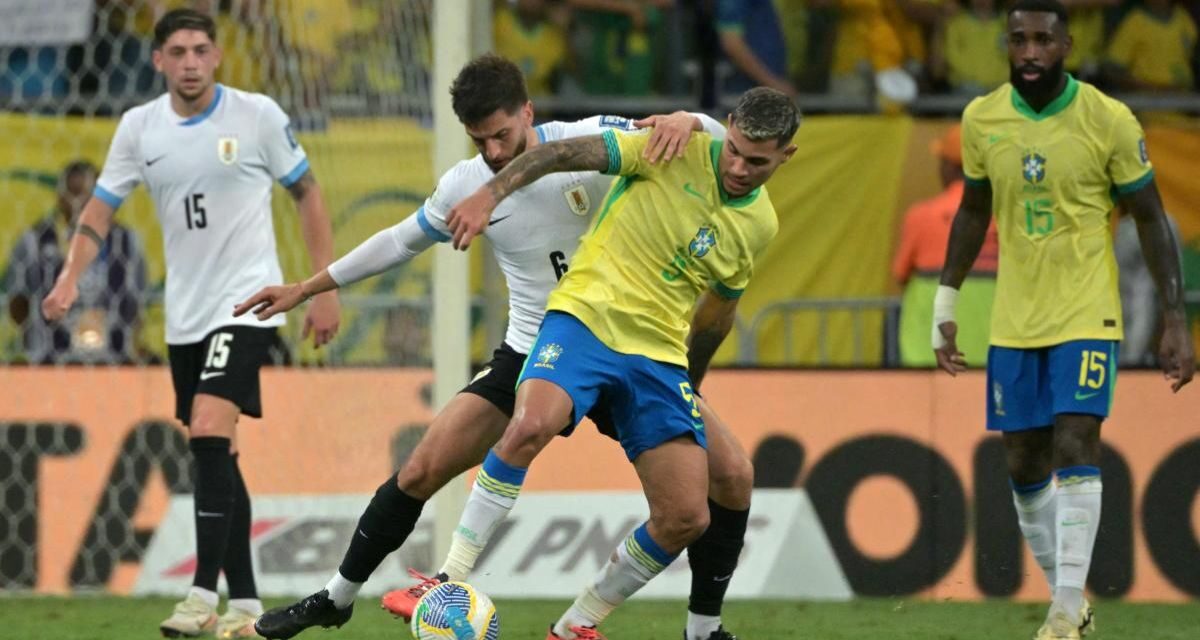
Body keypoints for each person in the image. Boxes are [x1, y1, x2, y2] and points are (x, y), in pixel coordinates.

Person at [240, 55, 752, 640]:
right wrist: (308, 288)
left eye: (503, 135)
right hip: (535, 350)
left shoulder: (587, 144)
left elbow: (717, 140)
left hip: (626, 346)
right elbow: (400, 241)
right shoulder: (466, 183)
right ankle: (336, 597)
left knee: (731, 476)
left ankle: (703, 628)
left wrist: (688, 117)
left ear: (528, 112)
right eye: (479, 140)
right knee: (421, 469)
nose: (493, 152)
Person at [424, 86, 798, 640]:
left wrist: (689, 388)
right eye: (735, 150)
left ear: (786, 157)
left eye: (757, 161)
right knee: (529, 424)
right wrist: (487, 195)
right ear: (727, 128)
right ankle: (446, 580)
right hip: (585, 319)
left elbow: (717, 316)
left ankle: (576, 625)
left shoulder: (760, 224)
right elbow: (556, 154)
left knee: (687, 516)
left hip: (660, 359)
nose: (739, 167)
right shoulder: (669, 147)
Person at [40, 9, 341, 639]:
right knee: (218, 450)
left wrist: (321, 288)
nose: (191, 63)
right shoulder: (138, 128)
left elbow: (307, 192)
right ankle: (250, 604)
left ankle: (202, 593)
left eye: (202, 50)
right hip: (186, 316)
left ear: (218, 55)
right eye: (177, 52)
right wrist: (70, 276)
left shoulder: (257, 116)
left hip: (248, 301)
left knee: (207, 425)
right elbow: (99, 209)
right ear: (158, 61)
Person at [932, 2, 1194, 639]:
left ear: (1067, 45)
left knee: (1077, 441)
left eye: (1042, 40)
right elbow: (972, 211)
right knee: (1023, 463)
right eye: (1018, 39)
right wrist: (946, 302)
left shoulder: (1107, 118)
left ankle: (1060, 613)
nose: (1029, 52)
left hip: (1086, 309)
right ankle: (1070, 602)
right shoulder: (982, 118)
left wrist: (1174, 317)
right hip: (1014, 317)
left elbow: (1152, 217)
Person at [6, 160, 146, 365]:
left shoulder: (126, 241)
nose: (80, 202)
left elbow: (136, 304)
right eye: (73, 193)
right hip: (50, 360)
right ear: (60, 197)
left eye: (90, 194)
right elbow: (17, 303)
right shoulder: (35, 241)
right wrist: (35, 335)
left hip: (113, 361)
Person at [892, 125, 998, 367]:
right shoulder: (1004, 218)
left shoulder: (921, 216)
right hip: (994, 351)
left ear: (950, 167)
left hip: (927, 352)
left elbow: (900, 273)